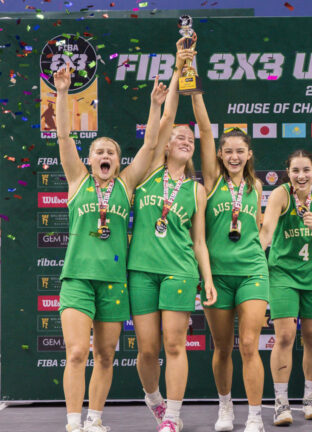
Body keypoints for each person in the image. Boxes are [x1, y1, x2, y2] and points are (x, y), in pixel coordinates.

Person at [54, 66, 166, 432]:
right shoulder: (77, 180)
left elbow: (150, 145)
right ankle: (73, 422)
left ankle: (95, 420)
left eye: (111, 153)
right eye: (99, 151)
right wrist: (63, 93)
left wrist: (155, 106)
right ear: (90, 159)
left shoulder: (126, 184)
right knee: (76, 352)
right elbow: (64, 136)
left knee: (105, 355)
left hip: (114, 281)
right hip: (78, 279)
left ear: (118, 162)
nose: (105, 156)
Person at [127, 39, 218, 432]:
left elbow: (199, 241)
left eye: (190, 139)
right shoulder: (148, 172)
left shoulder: (196, 189)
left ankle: (174, 416)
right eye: (179, 137)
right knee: (147, 349)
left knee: (175, 345)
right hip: (141, 270)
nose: (185, 139)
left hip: (180, 270)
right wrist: (180, 66)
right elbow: (167, 117)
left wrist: (207, 279)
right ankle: (154, 400)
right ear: (165, 146)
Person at [193, 89, 269, 432]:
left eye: (240, 151)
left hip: (252, 271)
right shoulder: (211, 182)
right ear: (220, 155)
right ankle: (225, 407)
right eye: (228, 151)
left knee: (249, 344)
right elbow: (204, 130)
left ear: (249, 154)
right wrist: (195, 92)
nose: (234, 156)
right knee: (223, 347)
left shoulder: (257, 187)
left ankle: (254, 415)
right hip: (218, 276)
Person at [259, 150, 312, 426]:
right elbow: (267, 230)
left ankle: (310, 399)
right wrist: (257, 254)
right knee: (285, 336)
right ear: (288, 173)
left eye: (306, 170)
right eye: (295, 171)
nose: (301, 176)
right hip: (282, 274)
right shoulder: (280, 194)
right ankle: (281, 403)